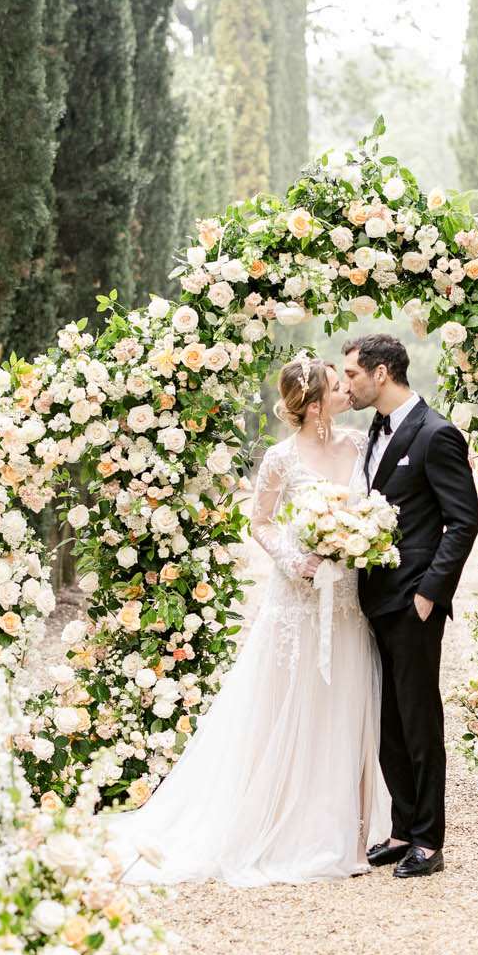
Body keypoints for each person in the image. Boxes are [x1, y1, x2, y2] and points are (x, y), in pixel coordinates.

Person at [111, 356, 390, 886]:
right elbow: (259, 522)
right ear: (312, 405)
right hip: (298, 602)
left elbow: (375, 506)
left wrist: (362, 537)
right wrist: (294, 558)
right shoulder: (282, 459)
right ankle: (284, 819)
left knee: (349, 706)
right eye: (336, 387)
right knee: (287, 710)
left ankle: (353, 833)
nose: (345, 392)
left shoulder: (358, 445)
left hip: (349, 600)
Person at [340, 334, 478, 878]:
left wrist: (429, 594)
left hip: (413, 601)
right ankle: (401, 829)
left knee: (419, 720)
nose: (346, 384)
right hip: (374, 599)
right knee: (389, 721)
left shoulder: (436, 434)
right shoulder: (375, 431)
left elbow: (462, 522)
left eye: (351, 374)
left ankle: (429, 839)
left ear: (380, 373)